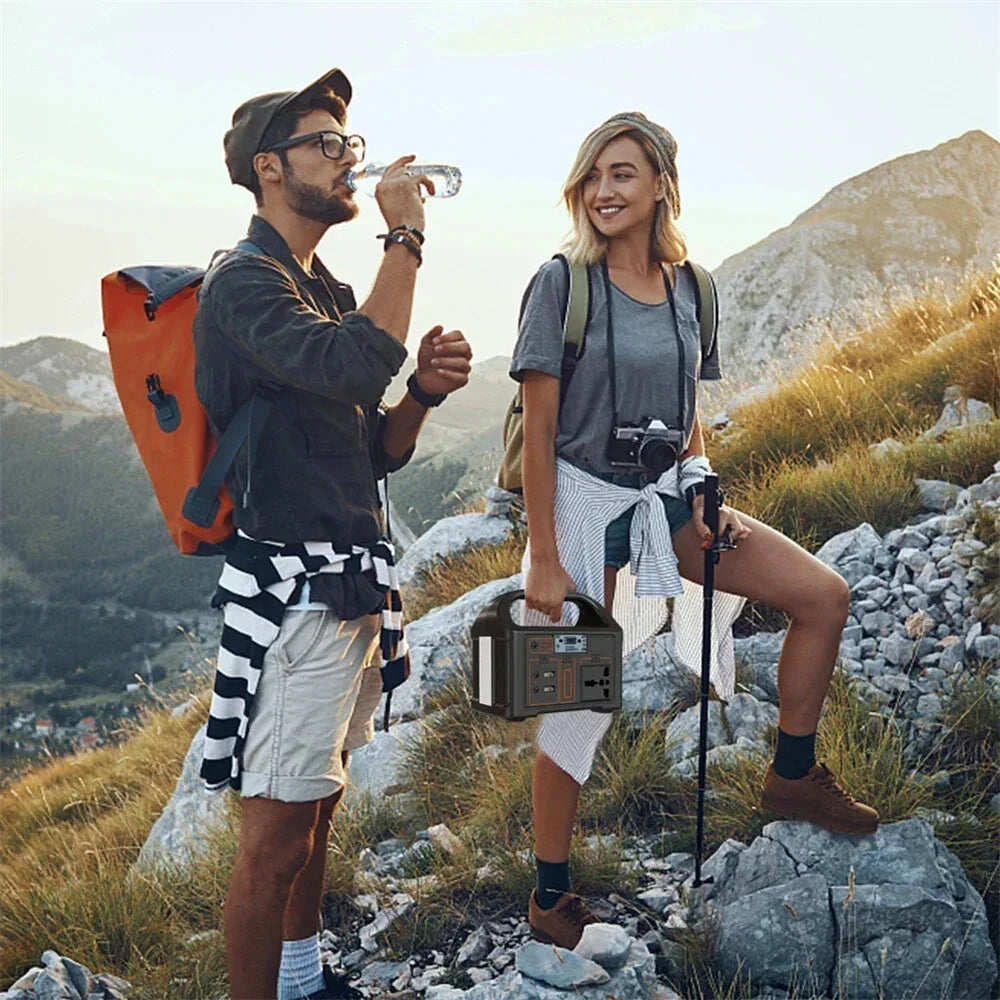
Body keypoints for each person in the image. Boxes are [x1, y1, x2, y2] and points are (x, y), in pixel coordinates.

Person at [509, 111, 878, 950]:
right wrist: (544, 555)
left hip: (673, 497)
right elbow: (538, 430)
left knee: (823, 594)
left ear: (661, 186)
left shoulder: (693, 289)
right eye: (594, 175)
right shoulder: (560, 284)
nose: (604, 190)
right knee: (575, 711)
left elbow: (690, 414)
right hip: (577, 504)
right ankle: (550, 897)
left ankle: (791, 777)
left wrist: (706, 490)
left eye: (623, 174)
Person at [193, 68, 471, 1000]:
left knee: (318, 800)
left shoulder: (323, 283)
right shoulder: (244, 286)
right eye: (328, 145)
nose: (349, 160)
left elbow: (371, 450)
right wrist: (405, 232)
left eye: (352, 146)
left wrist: (423, 397)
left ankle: (306, 977)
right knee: (273, 840)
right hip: (292, 599)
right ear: (270, 169)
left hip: (352, 583)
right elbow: (356, 367)